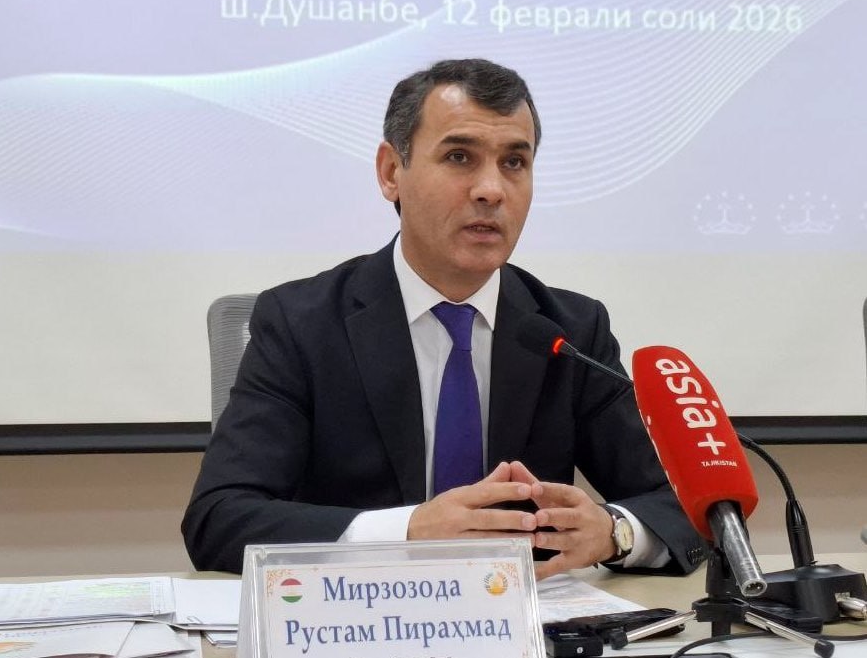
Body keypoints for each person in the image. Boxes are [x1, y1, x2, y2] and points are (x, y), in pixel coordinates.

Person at [182, 58, 707, 579]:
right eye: (459, 157)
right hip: (359, 612)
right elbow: (220, 517)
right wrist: (408, 530)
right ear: (391, 172)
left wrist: (614, 532)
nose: (491, 190)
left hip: (523, 617)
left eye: (514, 162)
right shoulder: (300, 324)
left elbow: (690, 505)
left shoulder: (568, 331)